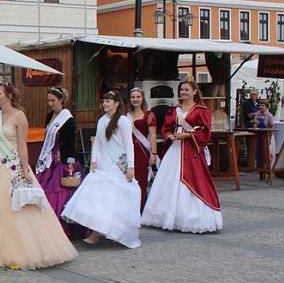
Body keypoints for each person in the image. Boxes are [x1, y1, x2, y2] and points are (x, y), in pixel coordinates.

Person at [0, 83, 77, 270]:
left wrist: (25, 169)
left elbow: (22, 145)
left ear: (8, 95)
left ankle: (28, 249)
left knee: (20, 206)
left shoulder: (19, 116)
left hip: (13, 166)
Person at [63, 91, 141, 248]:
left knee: (114, 199)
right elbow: (97, 142)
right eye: (104, 101)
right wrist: (93, 160)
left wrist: (131, 166)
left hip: (118, 164)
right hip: (103, 163)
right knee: (100, 198)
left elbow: (129, 144)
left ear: (117, 103)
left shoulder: (123, 121)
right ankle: (96, 231)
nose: (105, 104)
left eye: (108, 101)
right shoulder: (101, 120)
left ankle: (110, 231)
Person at [142, 80, 222, 233]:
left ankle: (192, 218)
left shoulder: (201, 110)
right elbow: (166, 127)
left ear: (194, 92)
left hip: (191, 150)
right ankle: (165, 216)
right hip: (175, 149)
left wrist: (186, 135)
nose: (183, 92)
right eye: (181, 90)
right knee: (168, 181)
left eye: (186, 89)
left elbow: (205, 133)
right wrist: (169, 135)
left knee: (195, 179)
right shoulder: (174, 110)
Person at [34, 86, 88, 238]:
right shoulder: (49, 116)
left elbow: (70, 144)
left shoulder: (68, 119)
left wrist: (70, 164)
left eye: (53, 100)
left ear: (61, 101)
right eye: (48, 100)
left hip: (62, 159)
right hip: (48, 158)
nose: (50, 103)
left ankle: (62, 227)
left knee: (59, 192)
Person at [128, 87, 158, 211]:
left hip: (142, 152)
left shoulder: (149, 115)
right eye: (133, 97)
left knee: (141, 180)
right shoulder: (126, 115)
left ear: (142, 98)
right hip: (129, 151)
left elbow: (152, 135)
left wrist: (154, 153)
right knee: (128, 180)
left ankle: (140, 209)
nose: (135, 99)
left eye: (138, 97)